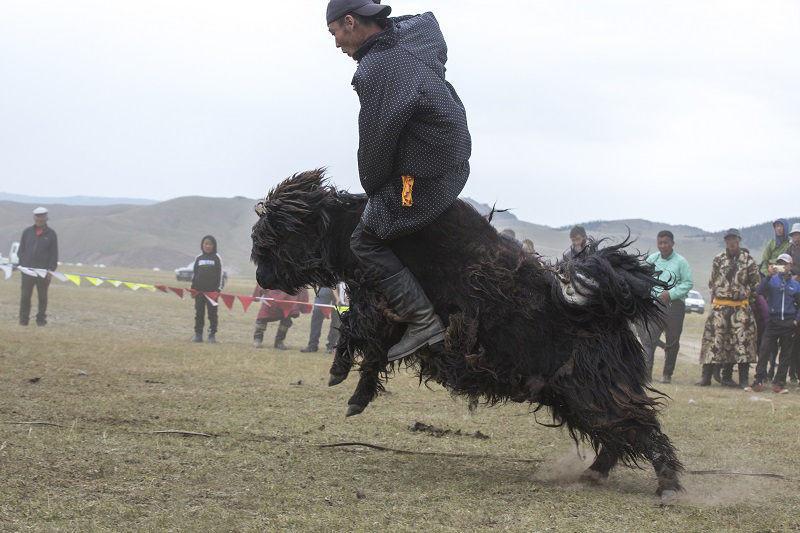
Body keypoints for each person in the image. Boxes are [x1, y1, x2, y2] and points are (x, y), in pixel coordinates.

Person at [326, 0, 471, 361]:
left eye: (335, 34)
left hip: (424, 177)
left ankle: (423, 320)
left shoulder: (379, 69)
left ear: (350, 22)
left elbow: (376, 142)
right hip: (453, 163)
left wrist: (371, 188)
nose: (336, 44)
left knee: (366, 237)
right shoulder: (412, 40)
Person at [696, 229, 760, 387]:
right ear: (725, 241)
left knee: (742, 343)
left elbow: (755, 283)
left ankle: (743, 380)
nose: (731, 242)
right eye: (728, 239)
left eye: (734, 239)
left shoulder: (749, 260)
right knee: (713, 342)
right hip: (720, 307)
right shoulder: (718, 259)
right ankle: (706, 378)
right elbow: (712, 282)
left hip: (741, 309)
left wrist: (744, 298)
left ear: (739, 240)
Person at [639, 230, 694, 383]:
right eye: (660, 242)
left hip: (674, 306)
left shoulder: (681, 262)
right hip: (654, 305)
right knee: (649, 339)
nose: (662, 246)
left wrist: (670, 293)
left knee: (671, 341)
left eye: (665, 243)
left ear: (672, 243)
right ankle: (646, 375)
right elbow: (644, 278)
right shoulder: (652, 259)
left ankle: (667, 375)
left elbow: (688, 283)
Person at [746, 254, 800, 394]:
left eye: (785, 263)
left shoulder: (795, 285)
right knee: (764, 351)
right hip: (772, 322)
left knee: (785, 355)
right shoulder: (771, 281)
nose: (782, 266)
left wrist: (796, 319)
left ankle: (779, 384)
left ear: (790, 266)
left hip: (788, 323)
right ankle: (758, 381)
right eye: (779, 263)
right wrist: (768, 276)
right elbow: (759, 291)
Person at [17, 207, 58, 326]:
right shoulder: (27, 232)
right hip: (27, 271)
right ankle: (23, 320)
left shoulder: (51, 234)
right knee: (25, 297)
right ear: (34, 218)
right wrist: (23, 263)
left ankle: (41, 320)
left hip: (44, 272)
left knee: (42, 297)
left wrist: (51, 269)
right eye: (37, 216)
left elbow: (54, 253)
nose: (39, 219)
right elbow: (21, 250)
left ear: (46, 218)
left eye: (42, 217)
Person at [253, 285, 310, 349]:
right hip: (271, 300)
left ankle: (279, 341)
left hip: (288, 301)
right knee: (262, 318)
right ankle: (257, 339)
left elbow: (302, 287)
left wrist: (302, 306)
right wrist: (257, 296)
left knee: (286, 321)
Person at [190, 235, 223, 343]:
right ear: (202, 245)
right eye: (205, 243)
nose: (207, 246)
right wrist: (192, 289)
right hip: (199, 291)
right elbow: (194, 274)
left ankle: (211, 334)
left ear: (214, 245)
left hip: (212, 292)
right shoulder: (198, 258)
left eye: (210, 244)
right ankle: (198, 334)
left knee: (212, 314)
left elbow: (220, 275)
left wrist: (218, 290)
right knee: (199, 313)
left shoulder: (217, 258)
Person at [301, 282, 347, 353]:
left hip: (341, 287)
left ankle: (332, 346)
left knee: (337, 318)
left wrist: (344, 295)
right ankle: (312, 345)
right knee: (317, 313)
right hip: (325, 284)